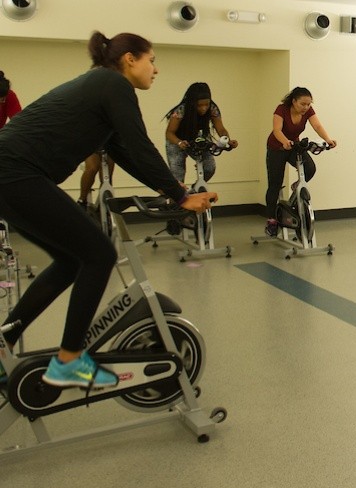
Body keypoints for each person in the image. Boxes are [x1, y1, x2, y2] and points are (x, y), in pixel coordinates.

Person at [0, 32, 216, 389]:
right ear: (130, 59)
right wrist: (180, 195)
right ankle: (68, 361)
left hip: (11, 175)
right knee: (100, 254)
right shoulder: (113, 85)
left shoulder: (99, 87)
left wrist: (169, 193)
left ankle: (4, 341)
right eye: (152, 60)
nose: (156, 70)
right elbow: (141, 144)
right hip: (18, 173)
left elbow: (127, 154)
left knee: (71, 260)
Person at [264, 87, 337, 237]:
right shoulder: (281, 109)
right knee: (275, 184)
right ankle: (271, 220)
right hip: (277, 147)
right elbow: (277, 130)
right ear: (294, 101)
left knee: (310, 168)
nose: (306, 107)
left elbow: (317, 125)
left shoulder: (308, 111)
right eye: (302, 104)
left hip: (294, 146)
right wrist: (285, 142)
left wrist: (327, 140)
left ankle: (296, 188)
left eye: (308, 104)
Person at [164, 82, 237, 185]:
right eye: (199, 105)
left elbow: (221, 129)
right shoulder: (181, 110)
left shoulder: (212, 109)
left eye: (206, 104)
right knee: (178, 175)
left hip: (198, 139)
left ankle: (197, 188)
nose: (203, 108)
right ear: (192, 103)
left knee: (209, 168)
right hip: (176, 141)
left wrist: (227, 140)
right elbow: (169, 133)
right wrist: (179, 143)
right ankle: (178, 197)